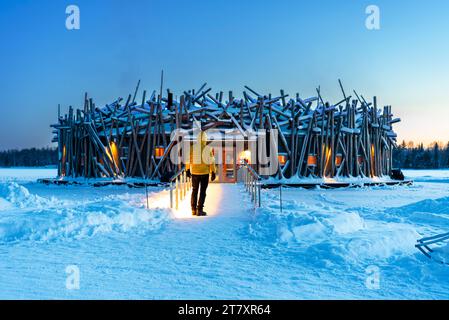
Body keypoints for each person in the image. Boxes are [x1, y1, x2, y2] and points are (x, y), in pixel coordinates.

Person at [185, 130, 216, 216]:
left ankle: (193, 209)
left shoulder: (192, 148)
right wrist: (213, 172)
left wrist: (187, 170)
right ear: (205, 139)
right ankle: (200, 209)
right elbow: (211, 161)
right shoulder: (208, 149)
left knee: (194, 191)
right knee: (202, 191)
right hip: (205, 173)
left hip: (195, 173)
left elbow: (187, 159)